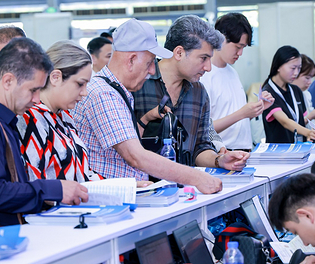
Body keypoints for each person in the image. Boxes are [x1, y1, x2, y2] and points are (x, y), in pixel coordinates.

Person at [73, 18, 225, 194]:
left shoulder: (119, 93)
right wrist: (197, 178)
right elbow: (136, 156)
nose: (153, 70)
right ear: (131, 60)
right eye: (149, 62)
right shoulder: (104, 94)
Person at [0, 37, 88, 231]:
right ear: (8, 81)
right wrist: (53, 189)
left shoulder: (1, 120)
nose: (36, 99)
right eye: (33, 90)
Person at [133, 14, 250, 169]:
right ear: (179, 53)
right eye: (203, 58)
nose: (208, 67)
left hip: (185, 187)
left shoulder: (198, 92)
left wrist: (219, 160)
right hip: (144, 186)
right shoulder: (138, 84)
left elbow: (200, 148)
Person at [18, 40, 104, 182]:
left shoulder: (64, 116)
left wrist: (122, 185)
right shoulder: (30, 118)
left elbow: (80, 173)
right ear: (55, 77)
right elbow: (37, 184)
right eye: (80, 84)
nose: (84, 92)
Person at [200, 13, 273, 151]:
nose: (240, 53)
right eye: (238, 47)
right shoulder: (204, 75)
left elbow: (239, 121)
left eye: (243, 48)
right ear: (220, 39)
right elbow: (202, 129)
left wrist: (257, 109)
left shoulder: (232, 72)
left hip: (244, 150)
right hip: (221, 153)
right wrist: (242, 113)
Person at [262, 46, 315, 143]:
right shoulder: (267, 93)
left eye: (299, 68)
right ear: (278, 66)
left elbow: (301, 121)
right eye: (293, 68)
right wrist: (308, 133)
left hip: (299, 148)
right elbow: (285, 121)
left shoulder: (296, 90)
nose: (296, 73)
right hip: (279, 152)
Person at [291, 55, 315, 129]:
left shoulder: (306, 94)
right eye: (307, 78)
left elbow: (312, 123)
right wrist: (311, 116)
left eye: (311, 78)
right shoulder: (285, 96)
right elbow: (290, 127)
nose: (310, 82)